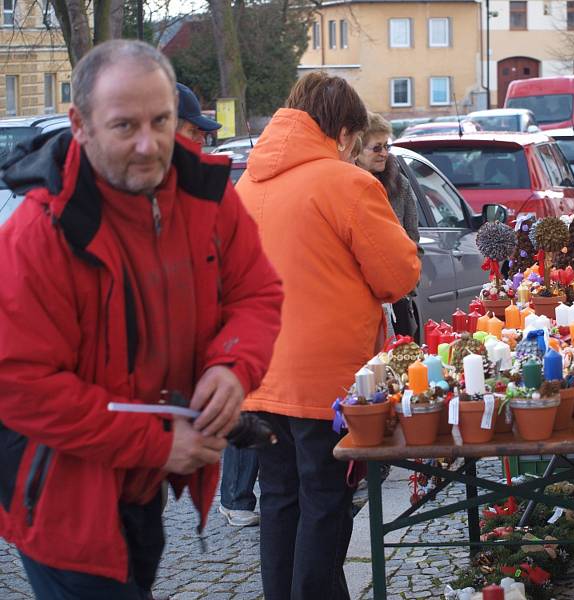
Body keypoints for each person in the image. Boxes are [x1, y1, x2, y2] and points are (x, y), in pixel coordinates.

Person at [0, 40, 283, 599]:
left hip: (142, 488)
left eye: (162, 120)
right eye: (125, 126)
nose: (150, 144)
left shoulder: (205, 197)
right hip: (63, 497)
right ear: (80, 123)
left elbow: (257, 291)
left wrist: (232, 367)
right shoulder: (37, 234)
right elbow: (20, 386)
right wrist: (155, 445)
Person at [236, 72, 420, 599]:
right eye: (357, 141)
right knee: (324, 501)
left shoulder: (246, 184)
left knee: (279, 500)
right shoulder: (347, 183)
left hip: (259, 374)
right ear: (342, 133)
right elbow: (397, 276)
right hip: (326, 384)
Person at [355, 112, 421, 340]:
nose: (384, 153)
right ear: (357, 150)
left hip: (398, 299)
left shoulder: (399, 185)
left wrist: (408, 284)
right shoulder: (346, 188)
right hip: (361, 305)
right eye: (376, 148)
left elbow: (413, 239)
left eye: (386, 146)